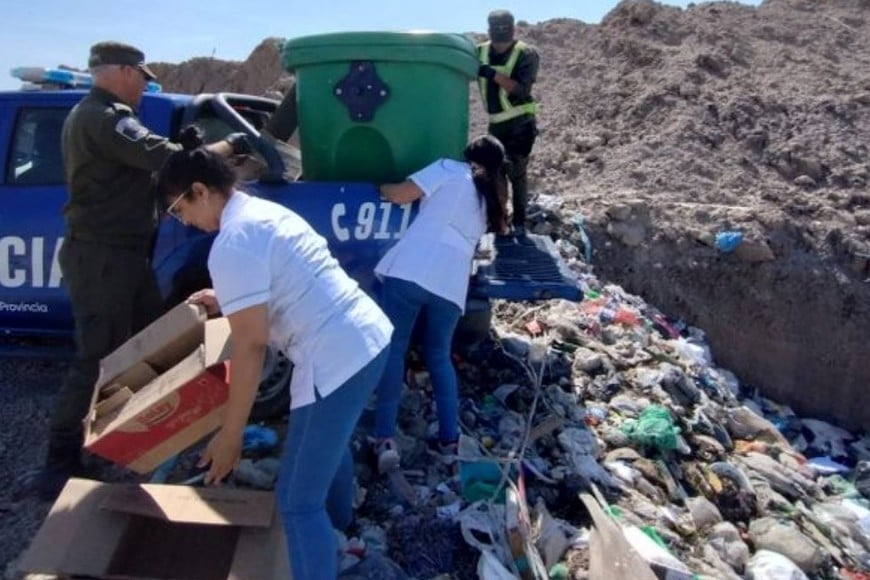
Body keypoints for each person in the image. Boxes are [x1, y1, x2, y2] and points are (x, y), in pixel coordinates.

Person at [157, 125, 393, 580]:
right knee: (324, 438)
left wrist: (230, 435)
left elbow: (249, 345)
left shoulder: (232, 242)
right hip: (366, 338)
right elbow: (277, 278)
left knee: (295, 503)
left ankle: (323, 552)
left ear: (200, 191)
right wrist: (224, 297)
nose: (181, 220)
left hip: (335, 354)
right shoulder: (260, 212)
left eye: (178, 208)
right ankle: (343, 529)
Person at [32, 41, 250, 501]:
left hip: (123, 254)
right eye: (141, 77)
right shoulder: (104, 117)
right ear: (122, 72)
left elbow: (149, 167)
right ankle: (59, 459)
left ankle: (133, 435)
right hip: (103, 256)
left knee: (147, 343)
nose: (145, 85)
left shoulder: (102, 116)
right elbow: (164, 159)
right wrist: (228, 147)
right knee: (99, 354)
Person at [372, 135, 509, 473]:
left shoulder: (449, 169)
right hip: (451, 286)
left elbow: (400, 194)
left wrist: (380, 186)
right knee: (439, 357)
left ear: (468, 155)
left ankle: (384, 438)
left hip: (411, 270)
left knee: (394, 349)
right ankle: (450, 439)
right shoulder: (489, 198)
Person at [477, 9, 540, 235]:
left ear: (513, 30)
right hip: (496, 125)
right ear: (489, 30)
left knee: (516, 173)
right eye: (496, 29)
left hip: (520, 123)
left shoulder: (526, 54)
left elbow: (521, 91)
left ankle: (519, 223)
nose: (500, 35)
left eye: (504, 29)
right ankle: (498, 222)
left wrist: (491, 74)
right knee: (494, 175)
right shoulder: (480, 52)